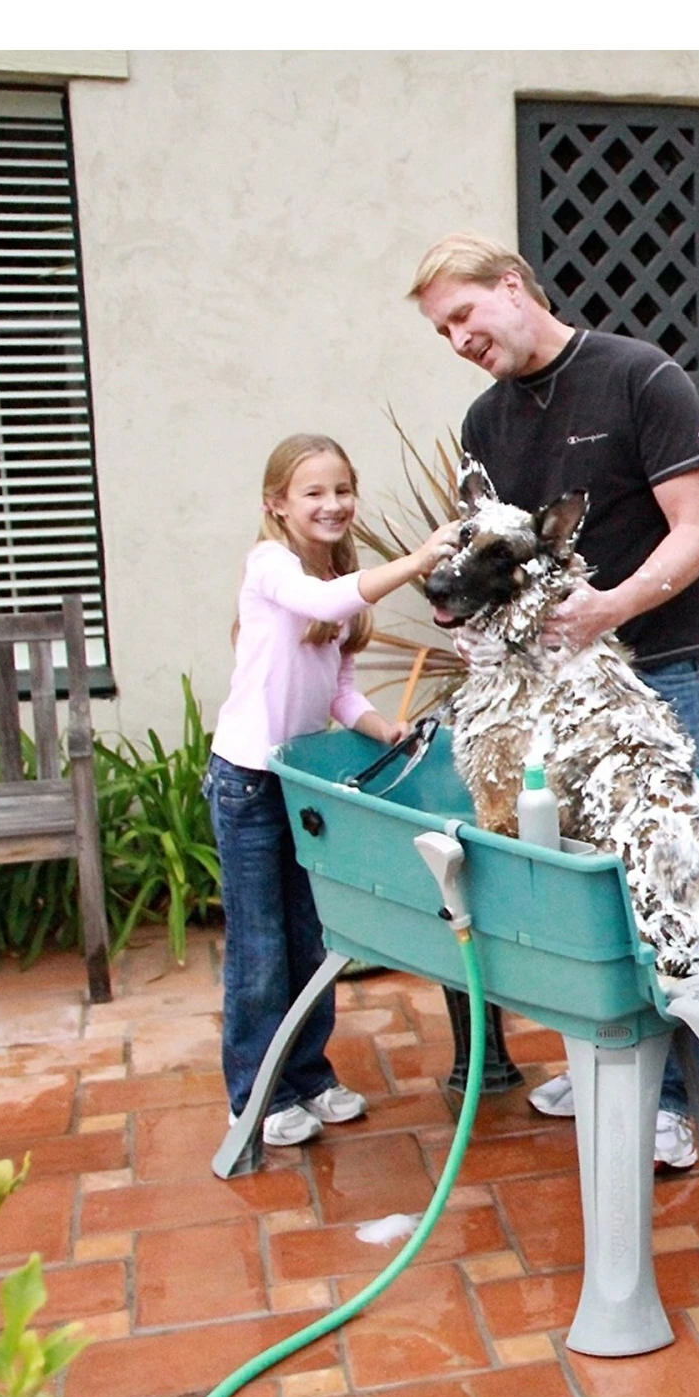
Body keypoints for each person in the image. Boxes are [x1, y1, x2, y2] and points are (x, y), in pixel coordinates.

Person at [409, 232, 699, 1170]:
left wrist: (610, 606)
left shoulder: (642, 378)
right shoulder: (485, 422)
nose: (459, 340)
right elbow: (498, 559)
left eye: (463, 315)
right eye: (442, 331)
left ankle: (677, 1097)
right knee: (578, 875)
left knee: (665, 870)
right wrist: (476, 629)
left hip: (656, 669)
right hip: (553, 689)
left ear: (513, 288)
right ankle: (606, 1056)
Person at [206, 433, 460, 1147]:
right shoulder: (272, 567)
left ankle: (308, 1076)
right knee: (260, 949)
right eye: (313, 492)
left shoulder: (337, 580)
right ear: (276, 505)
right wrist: (418, 560)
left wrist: (382, 728)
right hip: (246, 782)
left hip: (298, 781)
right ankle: (255, 1096)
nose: (332, 503)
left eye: (342, 490)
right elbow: (317, 598)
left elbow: (340, 688)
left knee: (311, 940)